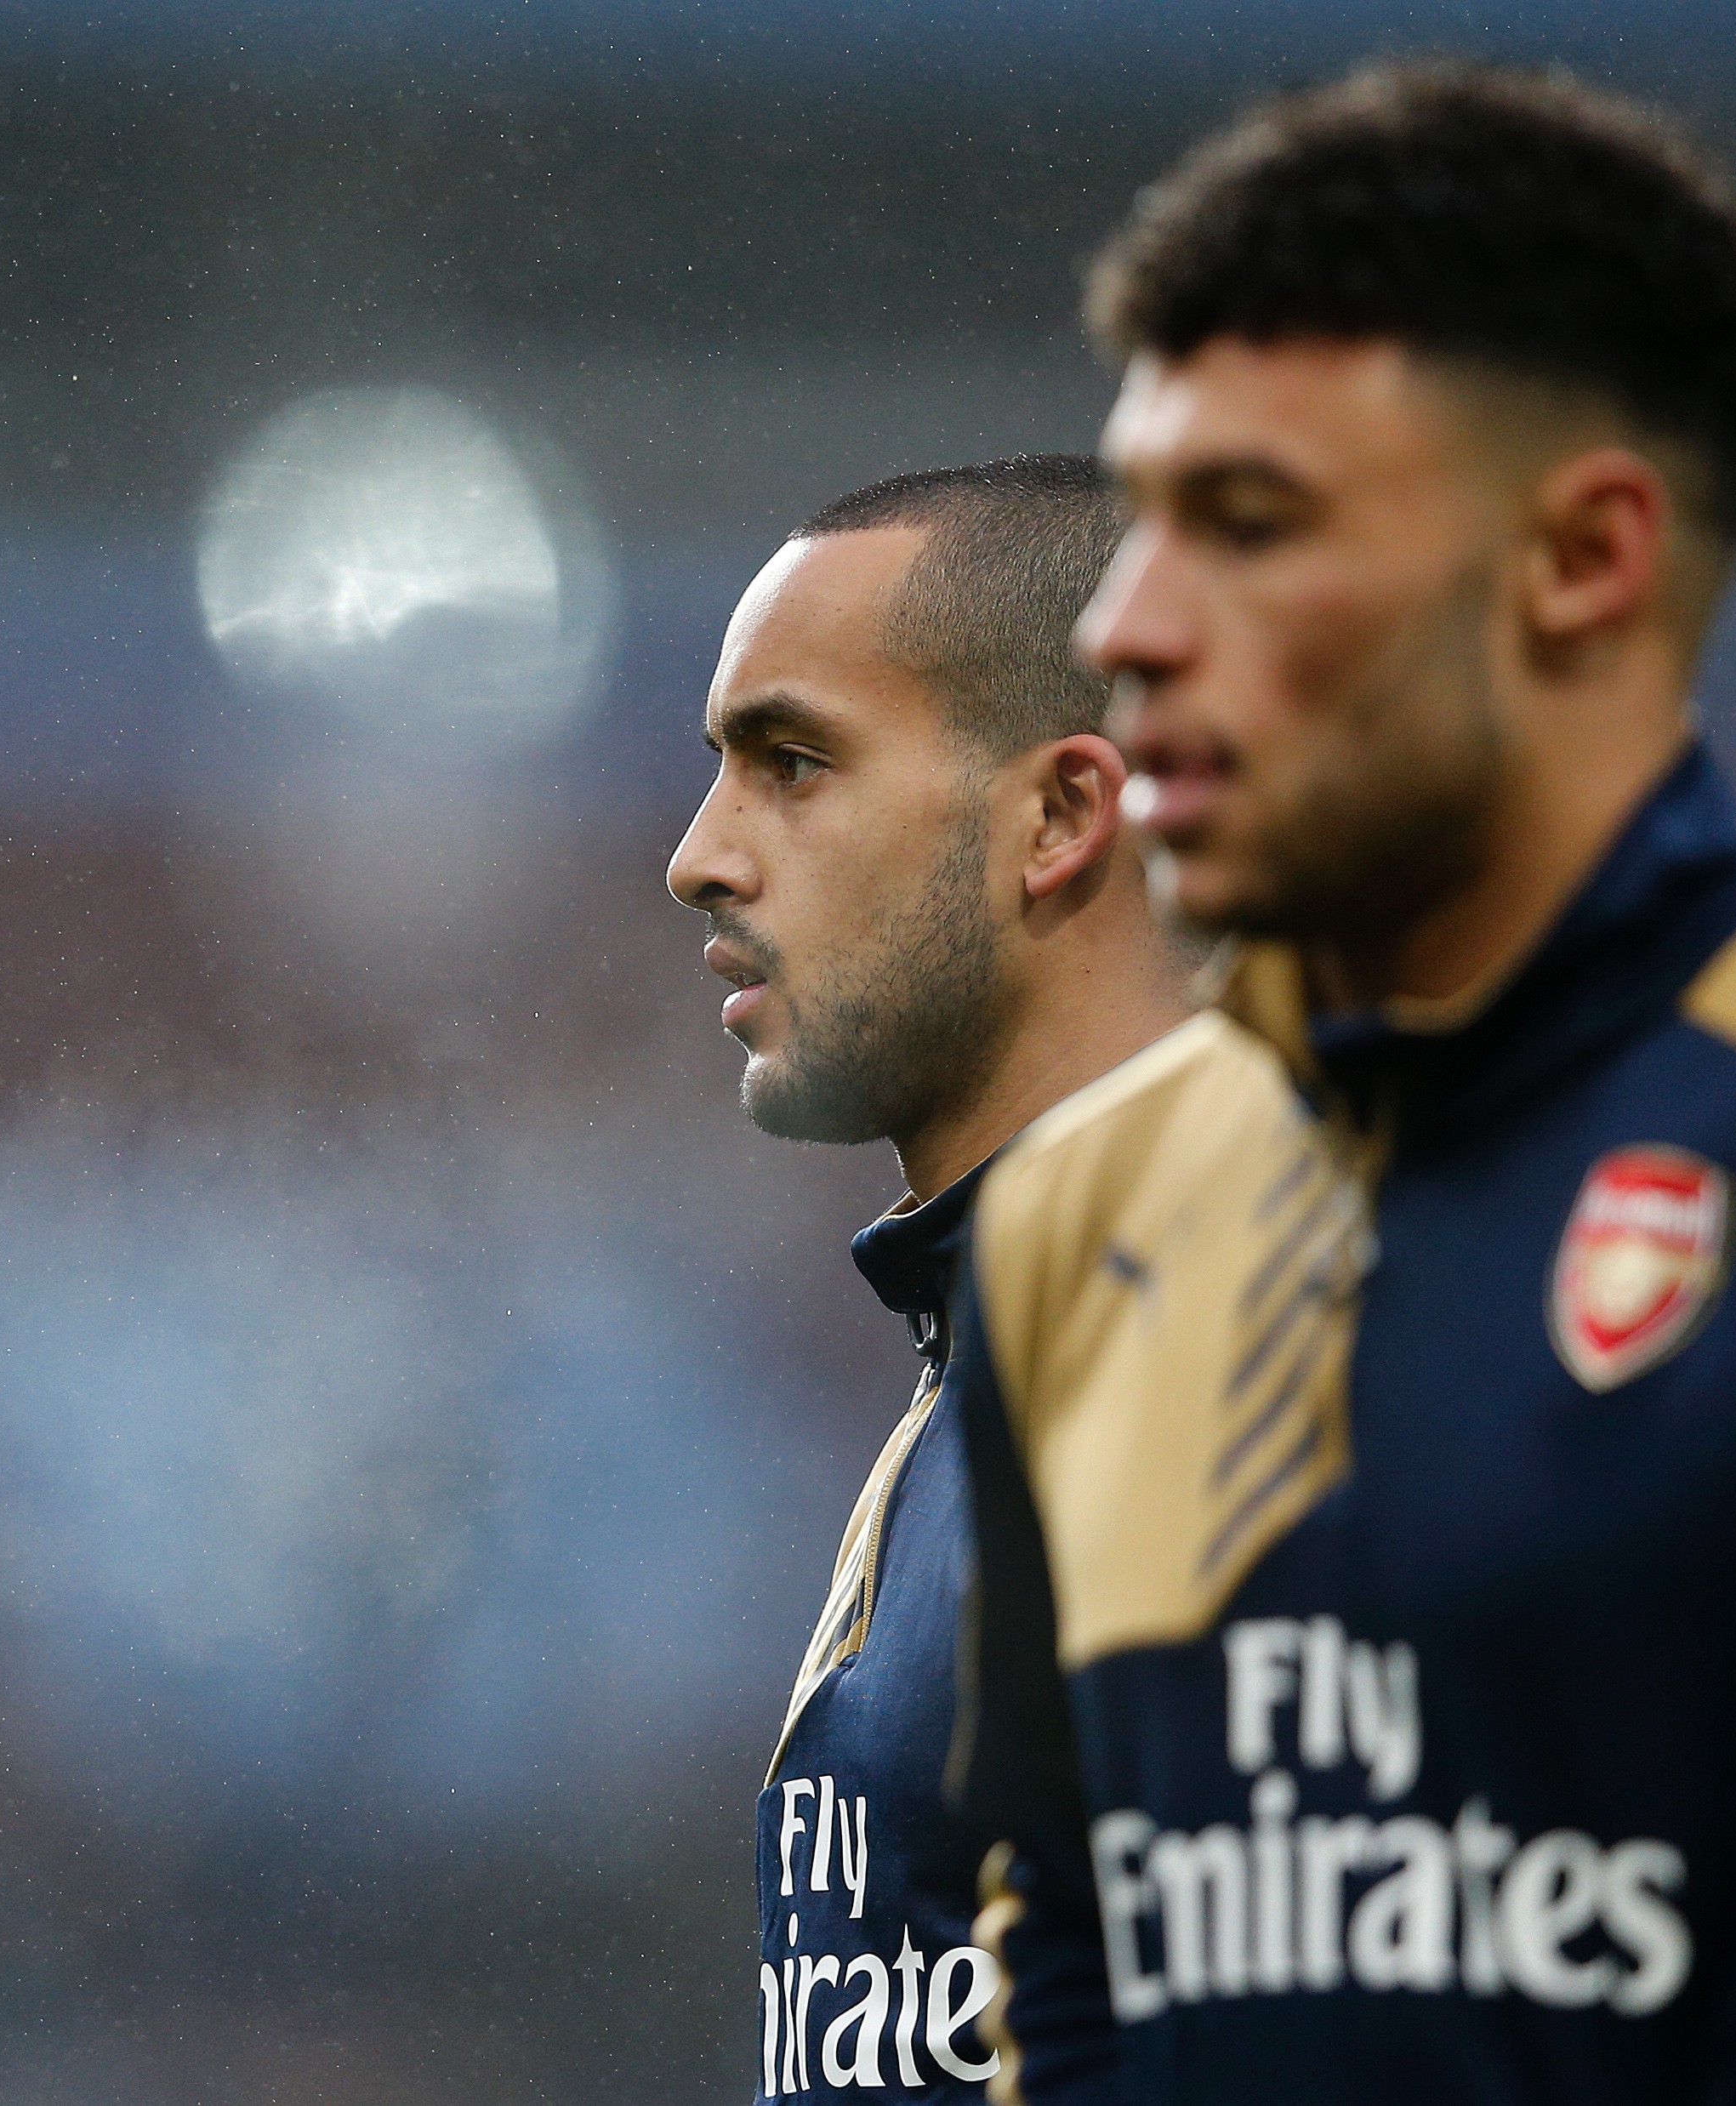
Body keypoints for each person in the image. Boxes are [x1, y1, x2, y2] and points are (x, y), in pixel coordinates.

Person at [944, 60, 1736, 2103]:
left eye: (1248, 521)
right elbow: (1072, 1957)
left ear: (1583, 560)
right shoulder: (1077, 1224)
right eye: (1141, 517)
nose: (1126, 623)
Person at [665, 457, 1198, 2103]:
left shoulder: (1266, 1366)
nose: (700, 857)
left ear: (1058, 815)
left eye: (794, 761)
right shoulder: (994, 1357)